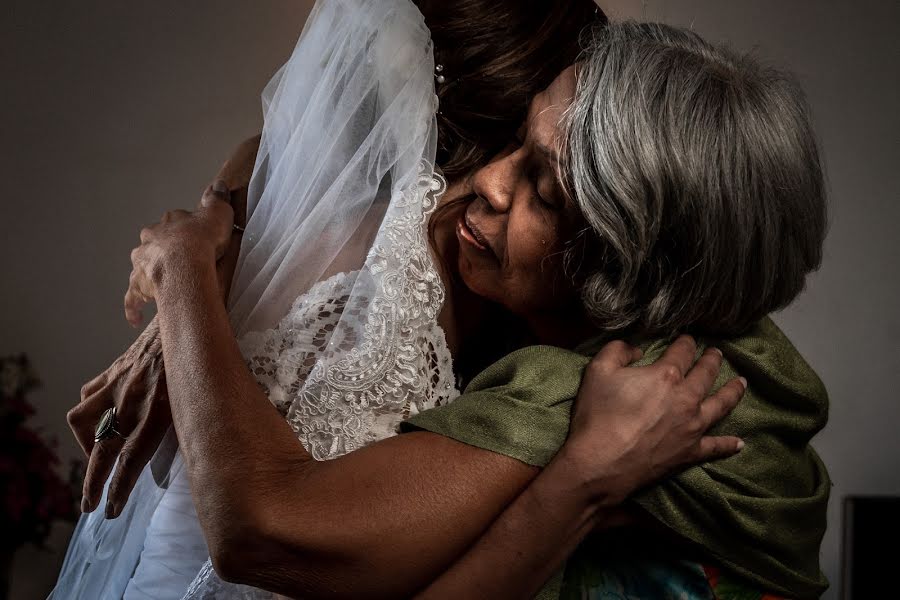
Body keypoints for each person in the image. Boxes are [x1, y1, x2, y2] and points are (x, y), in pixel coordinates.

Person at [58, 4, 829, 600]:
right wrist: (223, 214)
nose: (488, 182)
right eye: (513, 143)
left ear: (636, 262)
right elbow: (296, 142)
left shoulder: (596, 390)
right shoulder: (526, 273)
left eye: (546, 193)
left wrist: (184, 265)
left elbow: (260, 528)